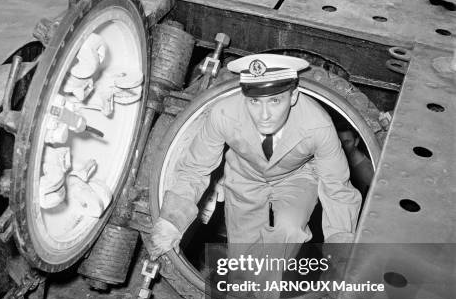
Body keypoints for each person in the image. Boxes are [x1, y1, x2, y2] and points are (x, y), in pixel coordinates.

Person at [149, 54, 361, 261]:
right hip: (244, 176)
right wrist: (172, 219)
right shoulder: (223, 114)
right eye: (254, 101)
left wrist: (340, 250)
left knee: (288, 229)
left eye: (275, 100)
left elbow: (337, 188)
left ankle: (264, 287)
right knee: (243, 256)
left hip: (296, 177)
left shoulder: (317, 125)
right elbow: (195, 169)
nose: (264, 114)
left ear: (293, 96)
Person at [336, 122, 374, 199]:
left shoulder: (367, 171)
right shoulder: (341, 158)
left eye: (347, 142)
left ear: (356, 142)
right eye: (339, 141)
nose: (342, 146)